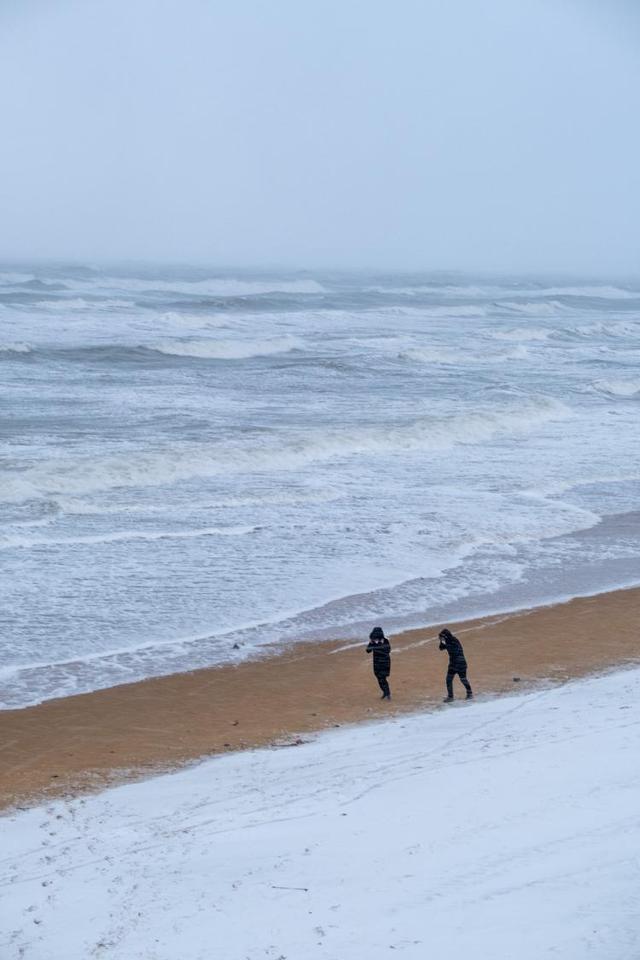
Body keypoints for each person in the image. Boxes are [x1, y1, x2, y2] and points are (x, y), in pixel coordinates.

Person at [438, 628, 473, 702]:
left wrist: (445, 643)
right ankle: (451, 697)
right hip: (453, 664)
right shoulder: (447, 641)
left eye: (442, 637)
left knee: (463, 679)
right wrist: (441, 641)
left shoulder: (454, 641)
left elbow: (454, 650)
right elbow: (441, 648)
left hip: (460, 663)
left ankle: (469, 693)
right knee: (449, 680)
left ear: (446, 636)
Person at [366, 626, 391, 699]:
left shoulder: (385, 641)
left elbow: (388, 650)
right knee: (380, 678)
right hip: (379, 663)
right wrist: (370, 643)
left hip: (384, 662)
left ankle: (387, 693)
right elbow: (368, 651)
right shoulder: (373, 642)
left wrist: (375, 647)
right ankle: (386, 693)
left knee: (382, 678)